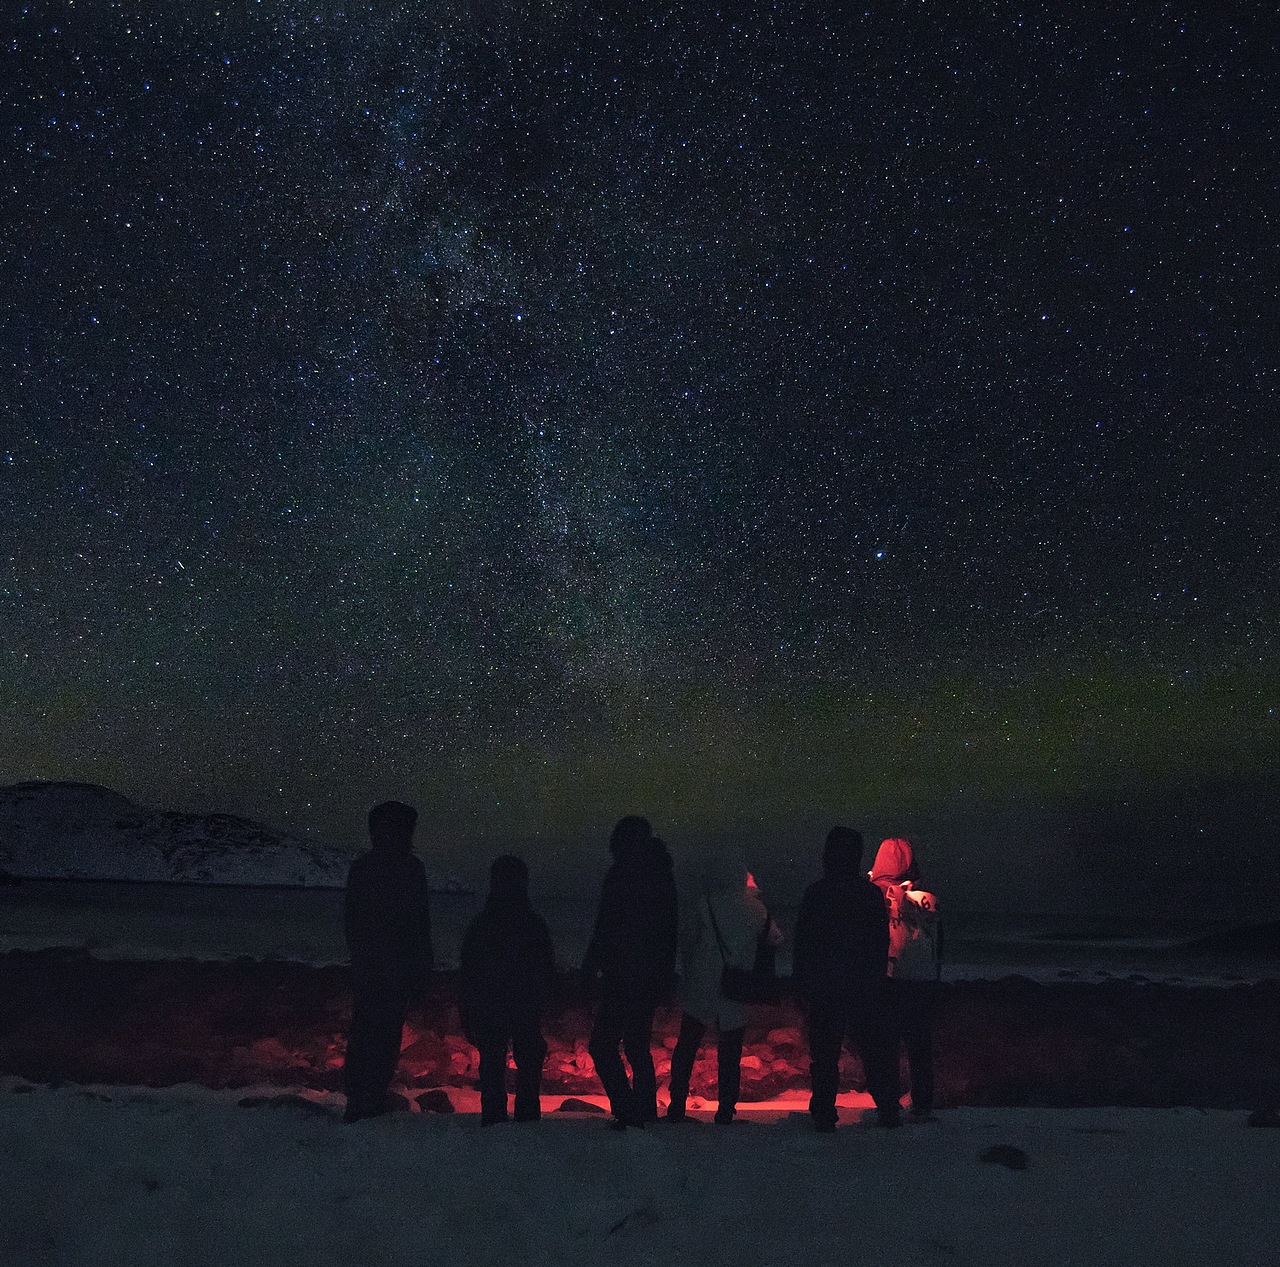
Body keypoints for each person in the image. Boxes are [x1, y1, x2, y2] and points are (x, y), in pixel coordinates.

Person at [793, 825, 900, 1131]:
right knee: (872, 1050)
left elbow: (804, 943)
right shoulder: (868, 894)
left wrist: (802, 982)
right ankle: (887, 1109)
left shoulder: (816, 893)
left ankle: (824, 1113)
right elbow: (880, 942)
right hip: (862, 983)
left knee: (825, 1055)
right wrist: (878, 979)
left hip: (826, 984)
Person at [668, 855, 782, 1124]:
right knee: (730, 1051)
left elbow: (687, 941)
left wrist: (688, 971)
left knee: (687, 1046)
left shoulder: (705, 904)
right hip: (736, 984)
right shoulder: (756, 908)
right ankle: (726, 1109)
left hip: (702, 983)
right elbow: (775, 938)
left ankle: (677, 1104)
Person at [583, 815, 678, 1129]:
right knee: (634, 1045)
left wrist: (591, 965)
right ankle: (641, 1113)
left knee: (606, 1045)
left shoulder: (627, 874)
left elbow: (606, 925)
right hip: (642, 973)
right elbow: (668, 930)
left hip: (625, 972)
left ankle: (631, 1110)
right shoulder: (659, 874)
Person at [341, 800, 433, 1123]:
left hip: (375, 966)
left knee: (369, 1029)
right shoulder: (409, 870)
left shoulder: (366, 869)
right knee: (380, 1031)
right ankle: (368, 1094)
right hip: (389, 967)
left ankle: (364, 1095)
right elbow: (419, 926)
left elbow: (351, 922)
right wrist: (422, 969)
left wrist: (362, 957)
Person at [459, 855, 556, 1126]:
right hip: (520, 1003)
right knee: (522, 1063)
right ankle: (523, 1120)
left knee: (494, 1063)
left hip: (495, 1003)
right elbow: (546, 966)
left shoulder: (483, 924)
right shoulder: (531, 923)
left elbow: (469, 969)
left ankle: (495, 1121)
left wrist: (466, 1008)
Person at [871, 836, 942, 1122]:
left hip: (887, 976)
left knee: (885, 1043)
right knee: (920, 1044)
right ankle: (922, 1103)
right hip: (922, 977)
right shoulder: (927, 897)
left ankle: (888, 1104)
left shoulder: (871, 894)